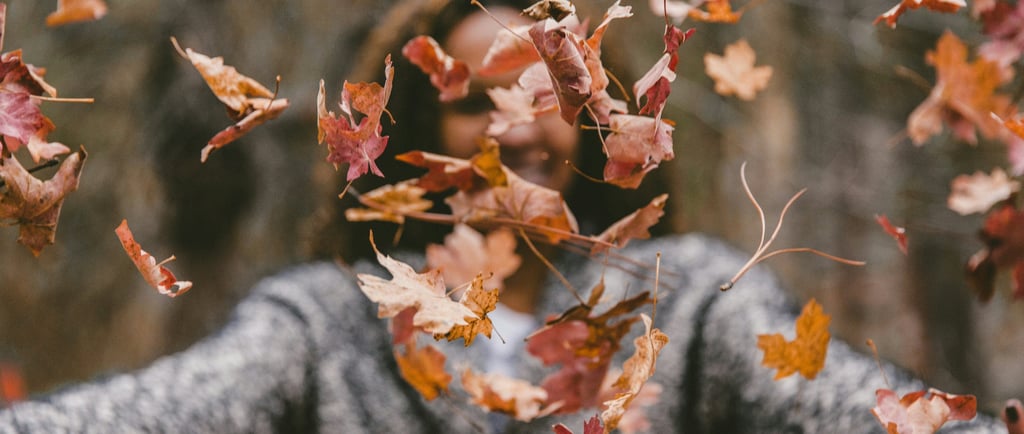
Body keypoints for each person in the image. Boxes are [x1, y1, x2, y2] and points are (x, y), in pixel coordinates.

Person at [0, 0, 1015, 432]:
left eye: (541, 92)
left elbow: (847, 408)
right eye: (471, 99)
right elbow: (159, 409)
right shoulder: (328, 322)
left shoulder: (690, 301)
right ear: (415, 131)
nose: (512, 124)